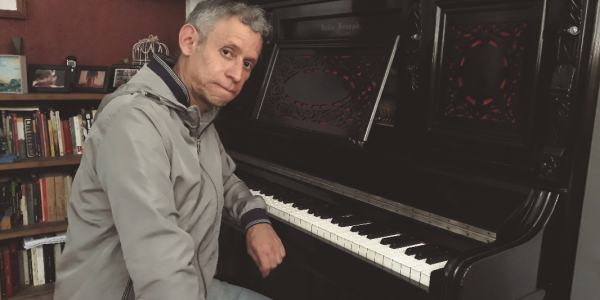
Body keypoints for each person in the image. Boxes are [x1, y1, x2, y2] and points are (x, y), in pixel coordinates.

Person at [54, 0, 285, 299]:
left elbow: (225, 180)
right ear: (189, 41)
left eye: (247, 63)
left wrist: (255, 220)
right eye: (228, 52)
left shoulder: (198, 117)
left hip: (191, 282)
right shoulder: (135, 121)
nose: (237, 74)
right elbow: (159, 260)